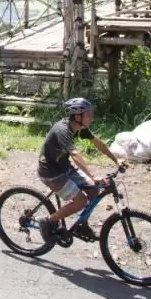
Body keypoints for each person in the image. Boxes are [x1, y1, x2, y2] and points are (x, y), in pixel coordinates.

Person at [37, 97, 127, 243]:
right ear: (77, 116)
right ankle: (48, 221)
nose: (91, 117)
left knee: (94, 190)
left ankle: (81, 225)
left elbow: (98, 143)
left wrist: (116, 160)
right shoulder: (63, 130)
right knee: (81, 201)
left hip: (64, 167)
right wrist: (92, 176)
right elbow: (75, 154)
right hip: (51, 173)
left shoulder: (79, 128)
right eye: (88, 115)